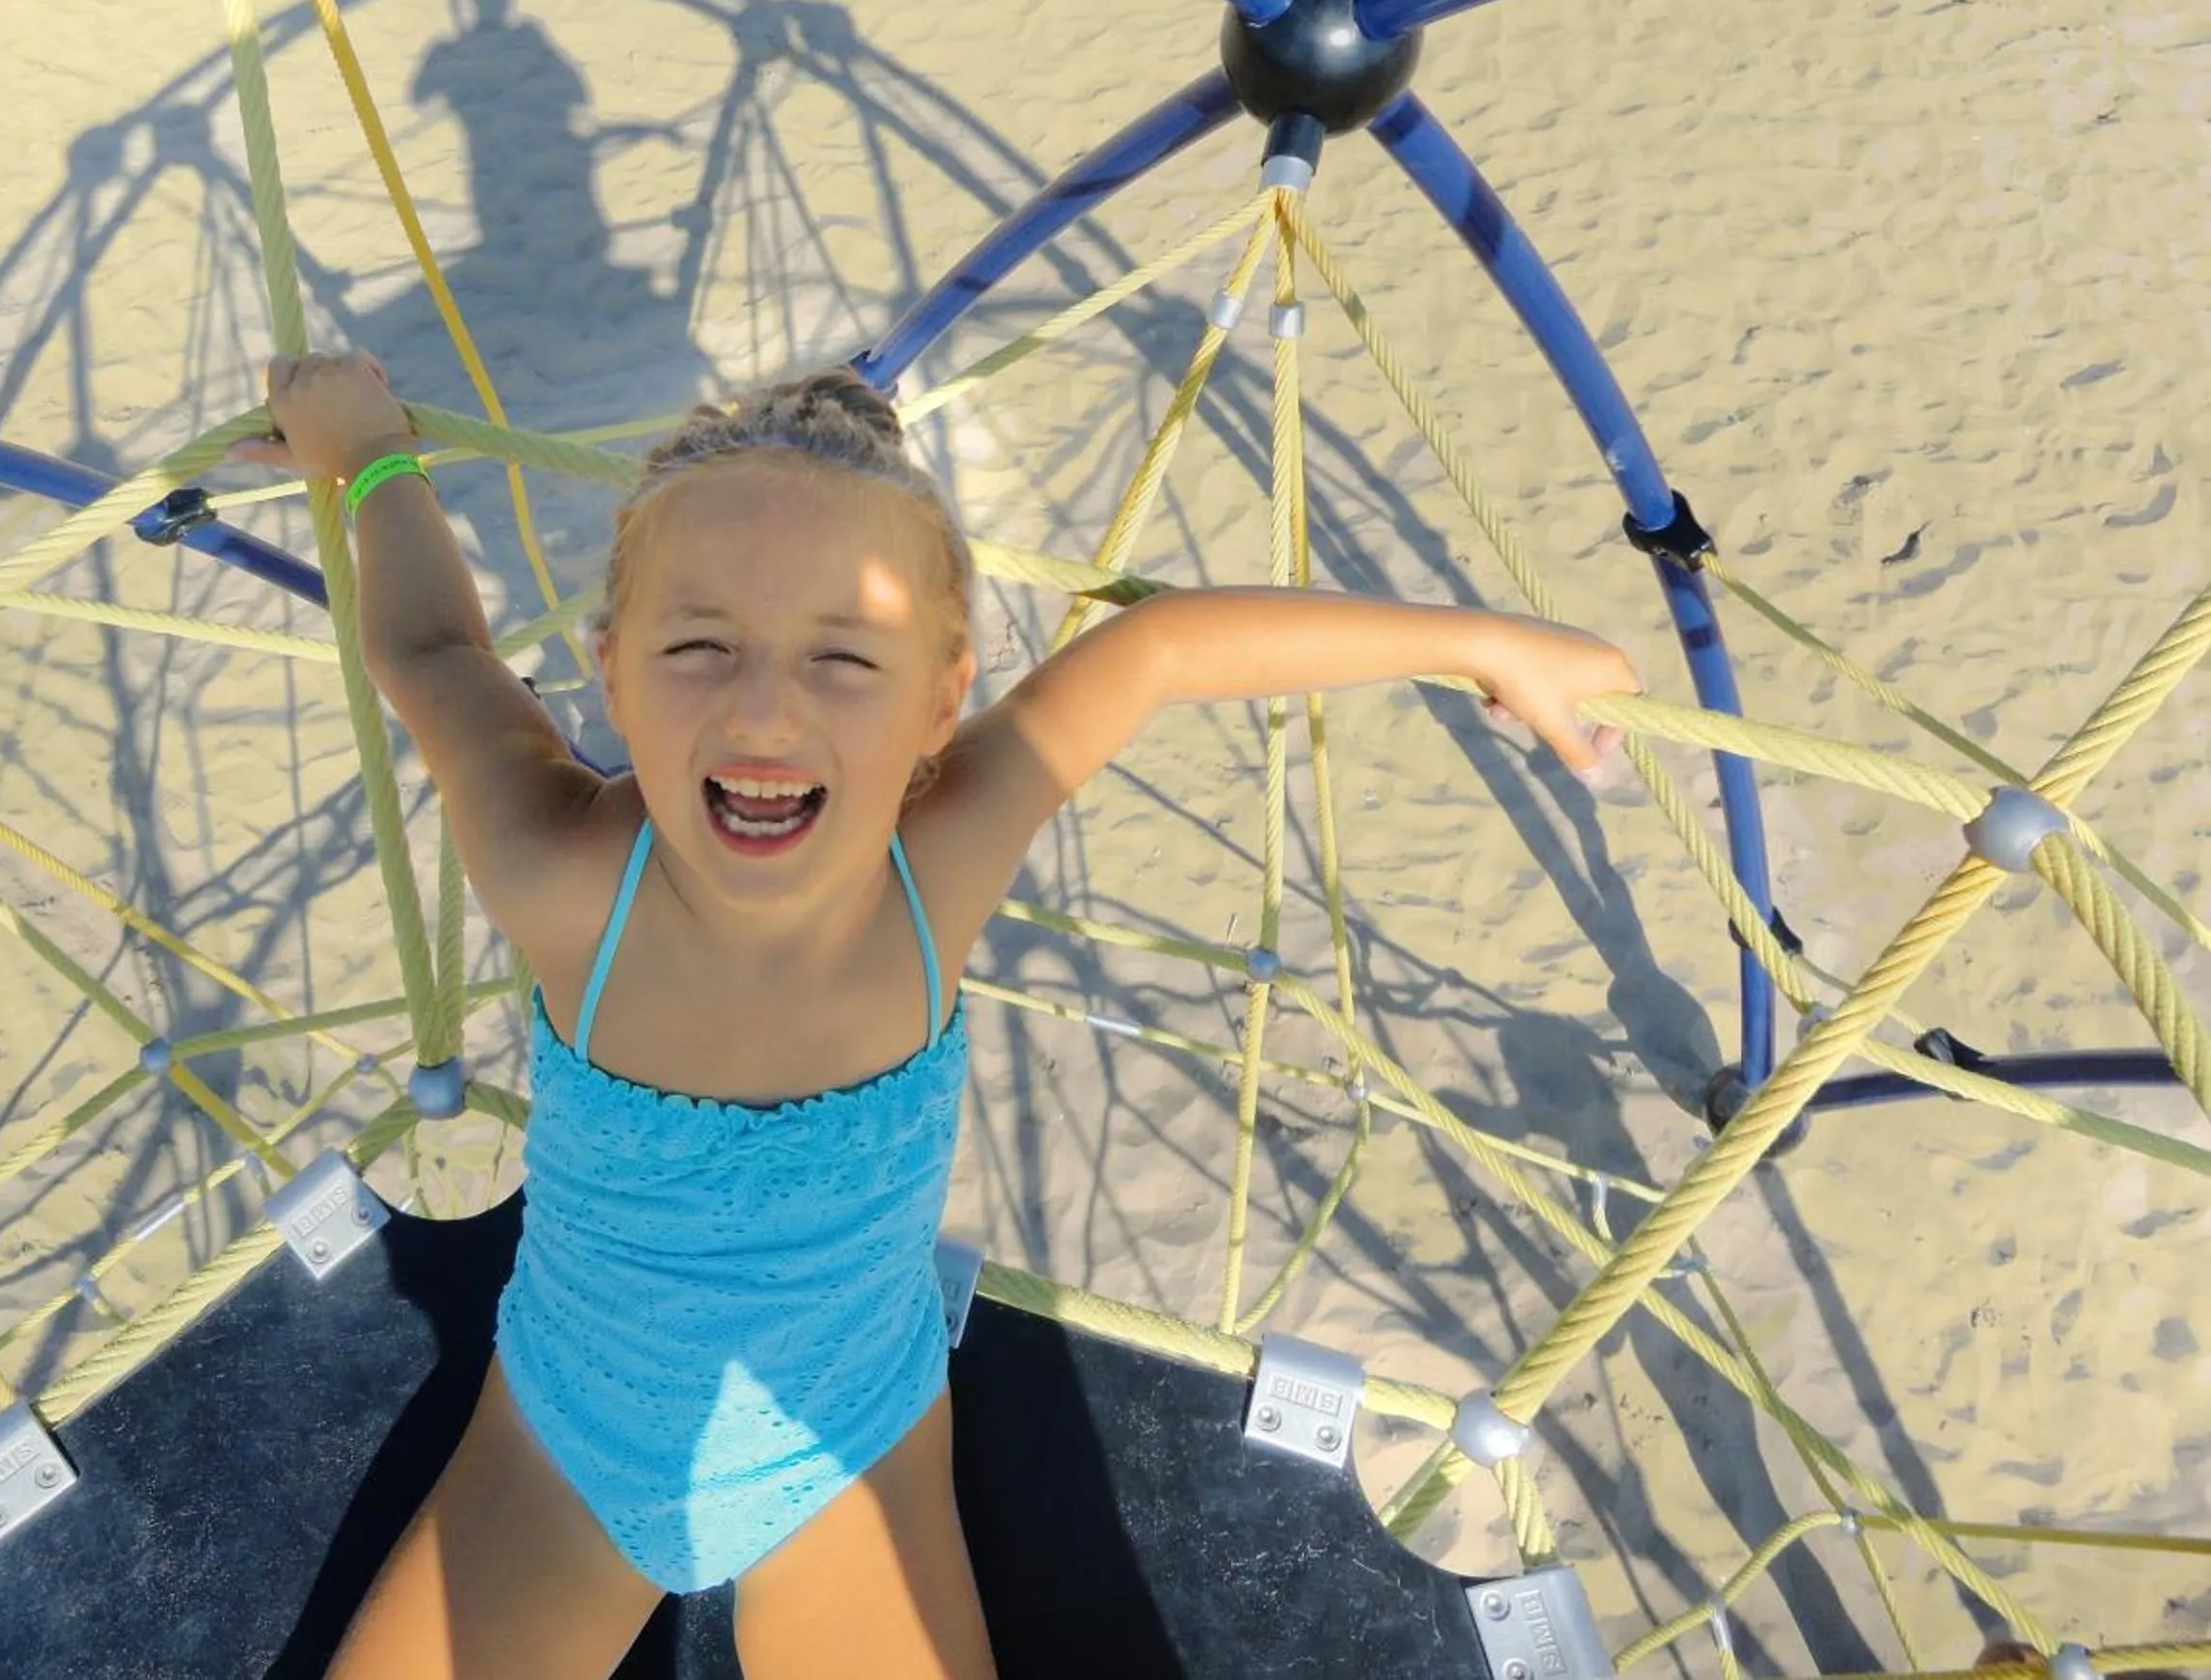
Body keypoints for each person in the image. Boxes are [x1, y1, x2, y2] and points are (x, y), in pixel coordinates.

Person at [235, 352, 1641, 1680]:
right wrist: (365, 451)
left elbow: (1159, 651)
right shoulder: (560, 877)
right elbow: (430, 650)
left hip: (849, 1450)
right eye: (699, 644)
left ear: (941, 699)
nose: (767, 710)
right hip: (563, 1445)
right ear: (608, 667)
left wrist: (1476, 640)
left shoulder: (941, 862)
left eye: (845, 659)